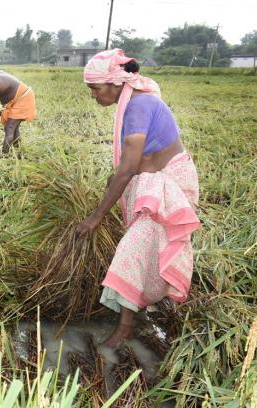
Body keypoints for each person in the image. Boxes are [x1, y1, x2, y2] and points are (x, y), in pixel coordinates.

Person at [75, 49, 201, 348]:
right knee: (148, 249)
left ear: (115, 82)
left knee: (133, 249)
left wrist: (95, 218)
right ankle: (146, 310)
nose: (93, 95)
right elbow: (130, 165)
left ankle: (125, 328)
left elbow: (128, 168)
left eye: (95, 88)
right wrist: (114, 180)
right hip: (154, 182)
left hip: (168, 187)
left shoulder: (138, 106)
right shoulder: (133, 103)